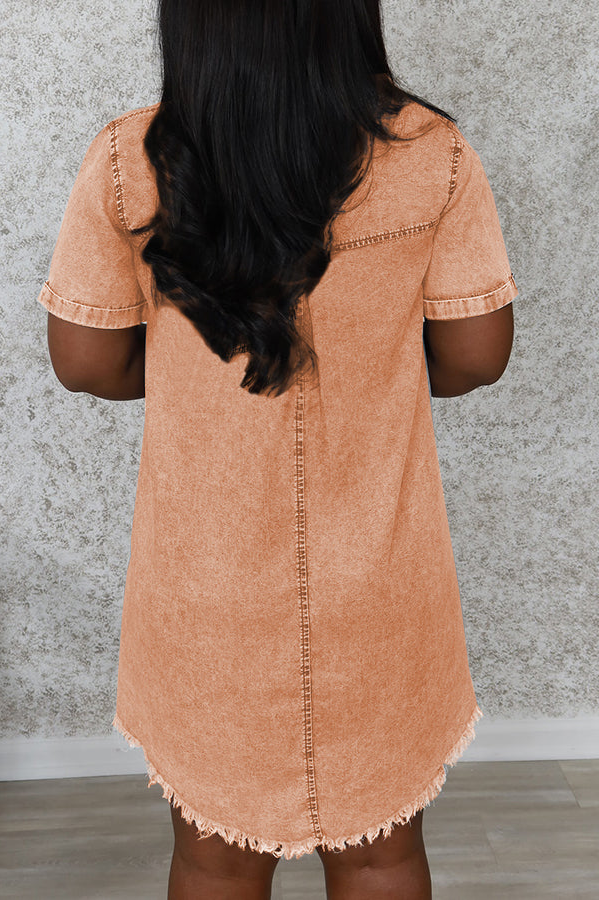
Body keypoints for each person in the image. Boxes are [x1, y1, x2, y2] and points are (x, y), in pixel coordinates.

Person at [38, 1, 516, 898]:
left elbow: (87, 361)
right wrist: (371, 374)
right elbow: (476, 356)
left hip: (205, 586)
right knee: (382, 854)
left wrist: (192, 380)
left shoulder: (134, 160)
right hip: (381, 576)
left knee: (212, 859)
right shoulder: (432, 154)